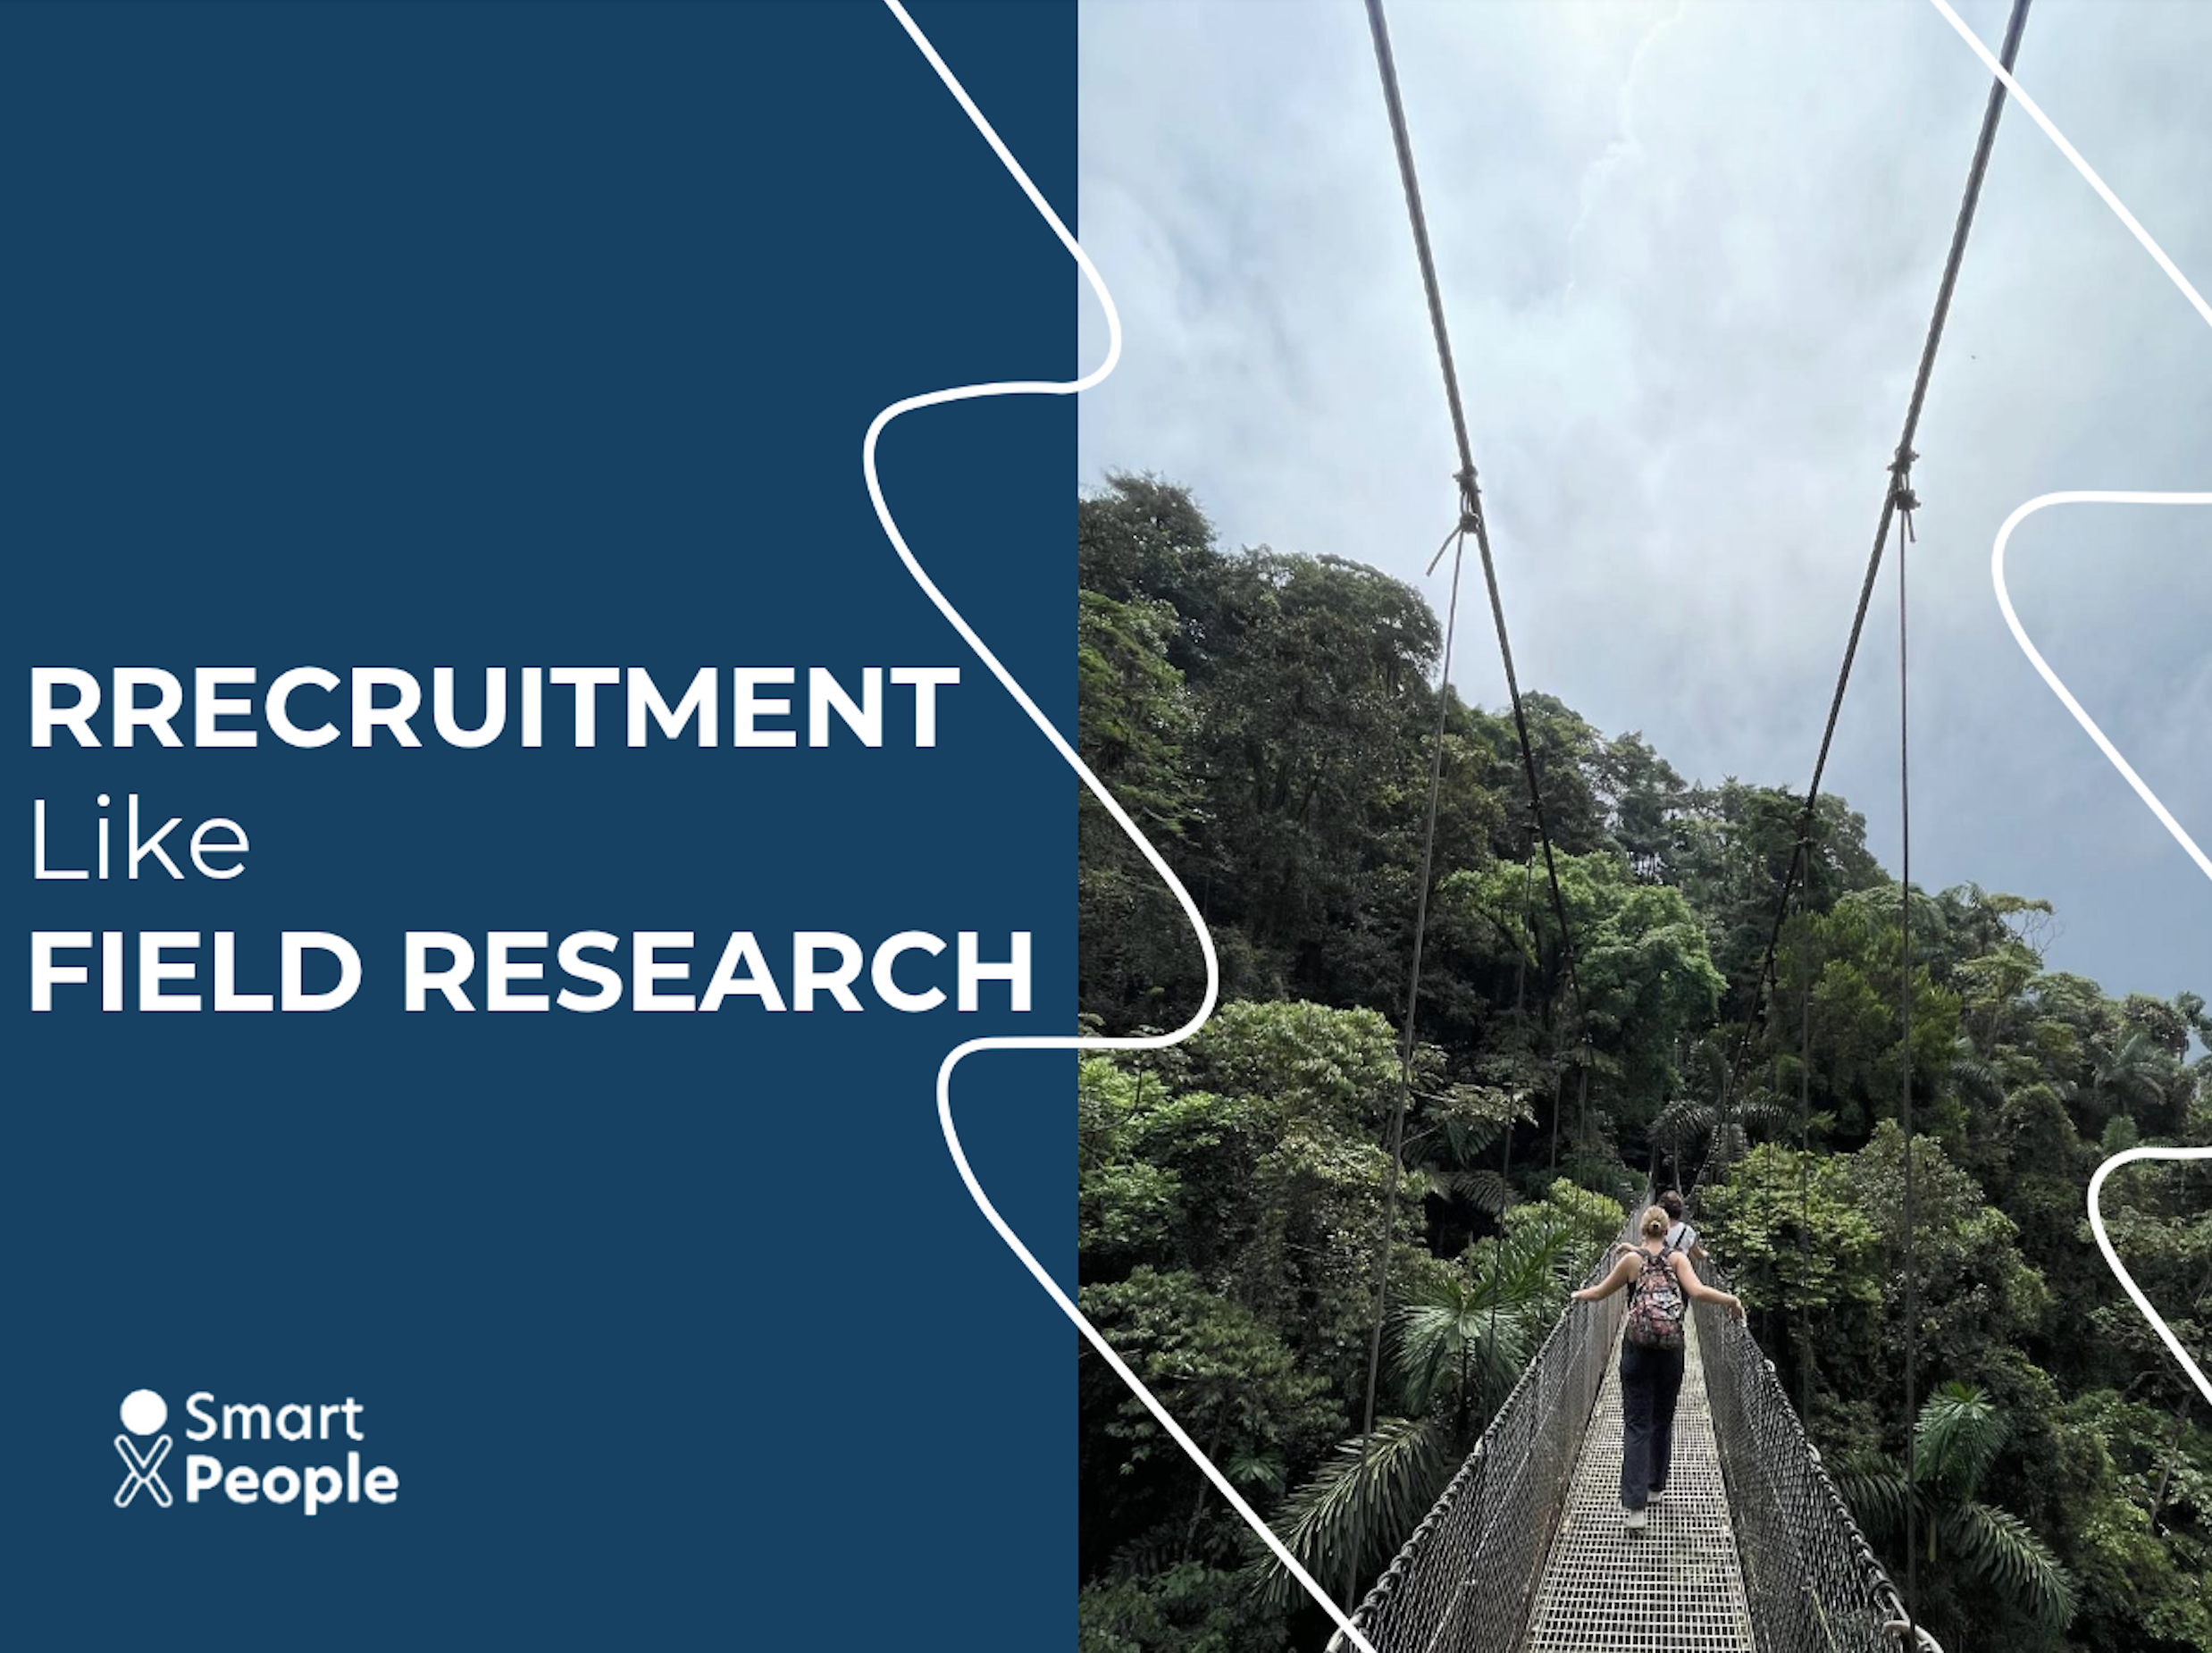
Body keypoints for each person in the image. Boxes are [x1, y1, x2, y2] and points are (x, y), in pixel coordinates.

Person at [1573, 1204, 1744, 1531]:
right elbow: (1698, 1291)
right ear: (1668, 1230)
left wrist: (1576, 1294)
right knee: (1662, 1420)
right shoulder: (1678, 1258)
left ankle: (1635, 1510)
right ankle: (1654, 1488)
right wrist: (1732, 1301)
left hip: (1636, 1349)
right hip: (1671, 1350)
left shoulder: (1631, 1261)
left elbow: (1596, 1294)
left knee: (1637, 1424)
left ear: (1642, 1228)